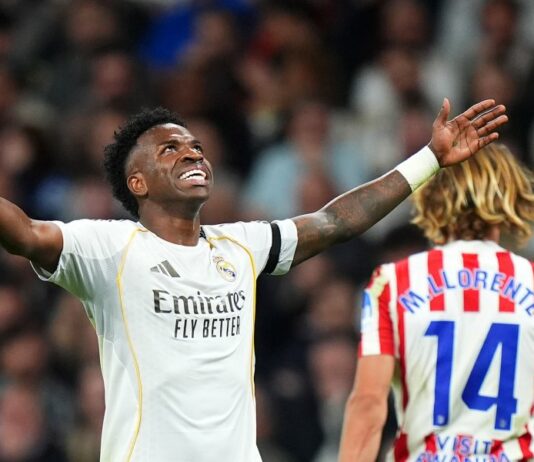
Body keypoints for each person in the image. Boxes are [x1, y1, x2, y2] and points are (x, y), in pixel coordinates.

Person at [0, 97, 506, 461]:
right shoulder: (109, 248)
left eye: (196, 146)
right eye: (170, 149)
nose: (193, 154)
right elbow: (25, 232)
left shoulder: (240, 245)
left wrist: (430, 159)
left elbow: (335, 222)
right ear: (138, 182)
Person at [339, 143, 534, 461]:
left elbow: (368, 404)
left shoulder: (393, 283)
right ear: (507, 193)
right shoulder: (530, 280)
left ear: (431, 196)